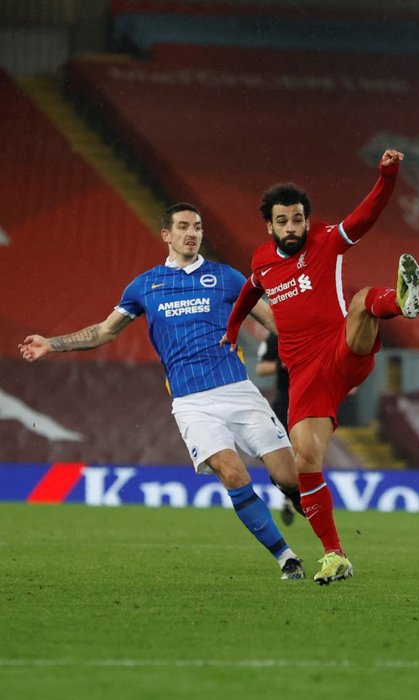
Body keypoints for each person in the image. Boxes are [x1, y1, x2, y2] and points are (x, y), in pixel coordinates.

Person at [18, 203, 307, 580]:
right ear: (166, 235)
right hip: (191, 403)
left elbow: (276, 322)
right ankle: (287, 558)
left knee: (289, 478)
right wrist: (51, 344)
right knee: (233, 474)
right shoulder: (145, 286)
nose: (192, 233)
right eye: (184, 227)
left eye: (198, 227)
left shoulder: (227, 278)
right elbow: (105, 332)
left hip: (239, 392)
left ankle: (332, 546)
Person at [224, 148, 419, 585]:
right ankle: (335, 555)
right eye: (283, 221)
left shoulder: (327, 240)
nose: (291, 227)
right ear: (269, 226)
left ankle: (400, 302)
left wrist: (388, 175)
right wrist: (233, 327)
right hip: (306, 377)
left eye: (297, 219)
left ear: (307, 220)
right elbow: (248, 293)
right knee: (306, 460)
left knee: (363, 300)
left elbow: (366, 215)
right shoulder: (261, 261)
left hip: (341, 352)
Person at [256, 330, 295, 526]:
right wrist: (282, 364)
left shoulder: (317, 326)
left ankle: (296, 494)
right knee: (287, 450)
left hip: (314, 396)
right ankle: (290, 494)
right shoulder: (276, 334)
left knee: (307, 451)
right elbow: (261, 368)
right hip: (286, 401)